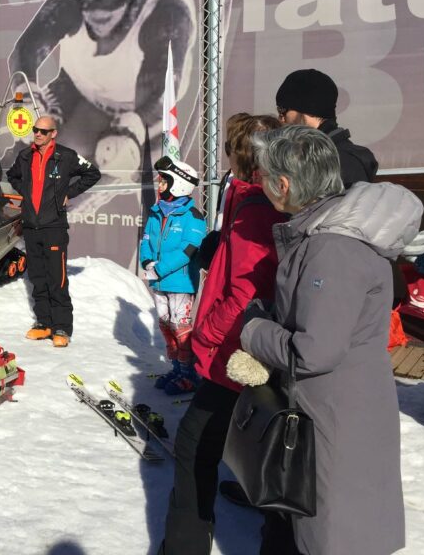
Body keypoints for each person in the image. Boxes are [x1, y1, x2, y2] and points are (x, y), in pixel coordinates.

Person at [237, 126, 420, 554]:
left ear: (283, 184)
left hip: (335, 419)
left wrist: (254, 331)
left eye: (264, 176)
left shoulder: (331, 249)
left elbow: (315, 350)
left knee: (336, 537)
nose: (260, 184)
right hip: (337, 411)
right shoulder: (325, 235)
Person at [156, 113, 285, 555]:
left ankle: (184, 545)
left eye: (230, 150)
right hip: (233, 348)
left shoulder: (255, 208)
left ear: (241, 156)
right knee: (211, 443)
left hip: (233, 351)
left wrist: (205, 335)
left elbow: (246, 292)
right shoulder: (244, 199)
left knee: (195, 447)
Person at [7, 0, 196, 184]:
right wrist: (27, 94)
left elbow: (164, 88)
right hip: (78, 90)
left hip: (146, 109)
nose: (97, 8)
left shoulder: (167, 7)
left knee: (131, 165)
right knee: (32, 143)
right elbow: (25, 51)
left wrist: (132, 128)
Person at [6, 115, 101, 347]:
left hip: (54, 227)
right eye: (35, 130)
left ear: (53, 134)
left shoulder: (66, 156)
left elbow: (93, 173)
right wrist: (26, 193)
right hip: (31, 226)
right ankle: (44, 323)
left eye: (43, 131)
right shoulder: (25, 155)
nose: (38, 134)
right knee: (37, 277)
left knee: (56, 278)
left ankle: (61, 327)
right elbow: (12, 175)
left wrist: (67, 193)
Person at [139, 157, 207, 394]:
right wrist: (147, 261)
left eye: (163, 181)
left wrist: (160, 267)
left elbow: (188, 250)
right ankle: (177, 368)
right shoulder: (156, 212)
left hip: (181, 282)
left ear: (177, 184)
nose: (159, 185)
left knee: (180, 327)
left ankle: (189, 374)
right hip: (159, 280)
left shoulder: (193, 217)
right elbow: (146, 239)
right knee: (166, 326)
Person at [275, 68, 378, 187]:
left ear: (308, 109)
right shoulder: (327, 155)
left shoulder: (340, 162)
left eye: (282, 110)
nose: (281, 119)